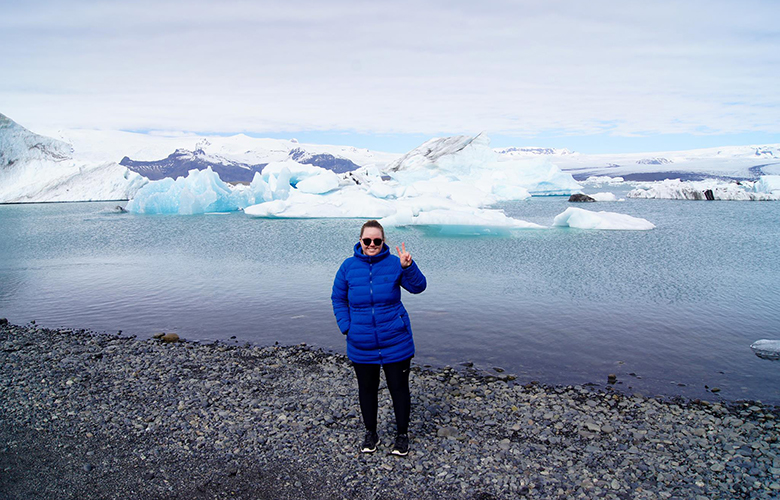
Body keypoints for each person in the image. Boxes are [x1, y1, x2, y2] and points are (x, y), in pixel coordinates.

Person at [331, 220, 427, 456]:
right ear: (360, 241)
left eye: (377, 240)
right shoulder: (348, 267)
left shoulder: (396, 264)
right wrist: (347, 327)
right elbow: (338, 298)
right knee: (367, 389)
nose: (372, 244)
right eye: (367, 240)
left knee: (399, 389)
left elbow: (419, 287)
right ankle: (371, 433)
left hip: (396, 340)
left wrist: (408, 267)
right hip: (361, 341)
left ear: (383, 242)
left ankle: (401, 436)